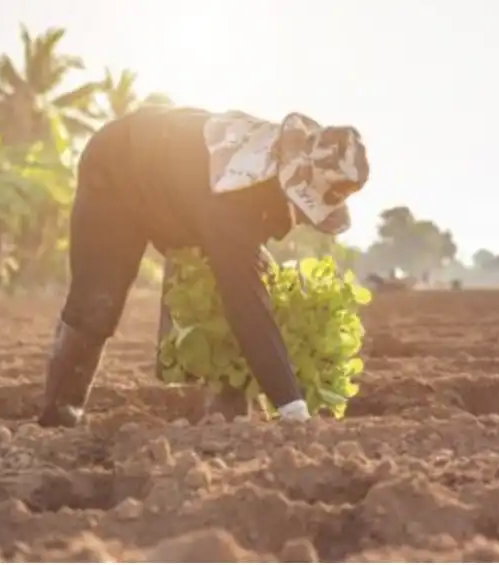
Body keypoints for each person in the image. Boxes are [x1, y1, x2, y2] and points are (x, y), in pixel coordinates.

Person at [37, 106, 369, 428]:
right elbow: (247, 306)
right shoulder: (234, 197)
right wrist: (291, 406)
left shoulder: (268, 173)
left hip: (178, 194)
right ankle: (60, 413)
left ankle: (225, 415)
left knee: (212, 296)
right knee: (98, 301)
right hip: (118, 168)